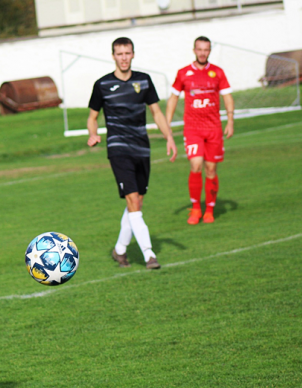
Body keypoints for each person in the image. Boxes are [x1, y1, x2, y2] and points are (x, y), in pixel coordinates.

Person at [87, 37, 177, 270]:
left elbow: (156, 112)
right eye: (119, 54)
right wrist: (93, 134)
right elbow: (92, 116)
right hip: (118, 147)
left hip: (142, 148)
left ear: (133, 54)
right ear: (113, 56)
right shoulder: (102, 85)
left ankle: (119, 250)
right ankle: (149, 255)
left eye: (127, 53)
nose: (124, 57)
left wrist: (169, 137)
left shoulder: (143, 81)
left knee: (137, 202)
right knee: (133, 201)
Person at [166, 36, 234, 225]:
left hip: (213, 129)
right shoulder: (183, 73)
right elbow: (173, 99)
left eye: (206, 49)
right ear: (194, 50)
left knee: (211, 169)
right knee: (196, 165)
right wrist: (167, 124)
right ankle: (196, 209)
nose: (203, 53)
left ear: (209, 51)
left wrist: (230, 120)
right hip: (193, 129)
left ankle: (210, 210)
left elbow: (227, 96)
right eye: (200, 49)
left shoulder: (218, 73)